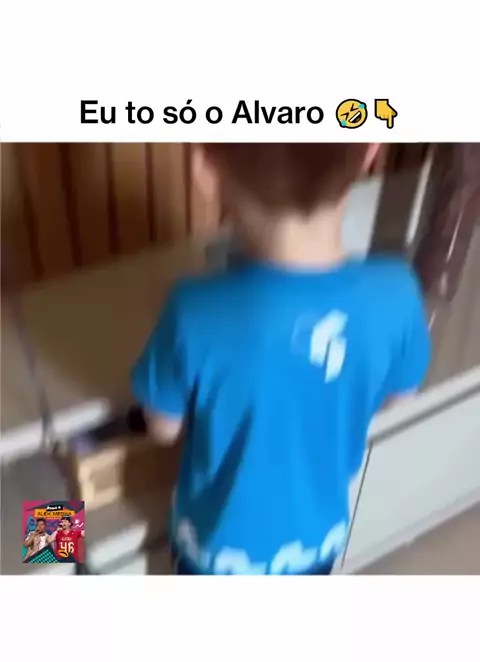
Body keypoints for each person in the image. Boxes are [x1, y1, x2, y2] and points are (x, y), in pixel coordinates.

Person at [131, 143, 431, 575]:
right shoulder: (399, 291)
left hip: (214, 556)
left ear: (204, 167)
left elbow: (162, 428)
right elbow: (397, 397)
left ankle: (46, 551)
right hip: (316, 546)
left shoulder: (191, 309)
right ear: (370, 151)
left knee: (49, 496)